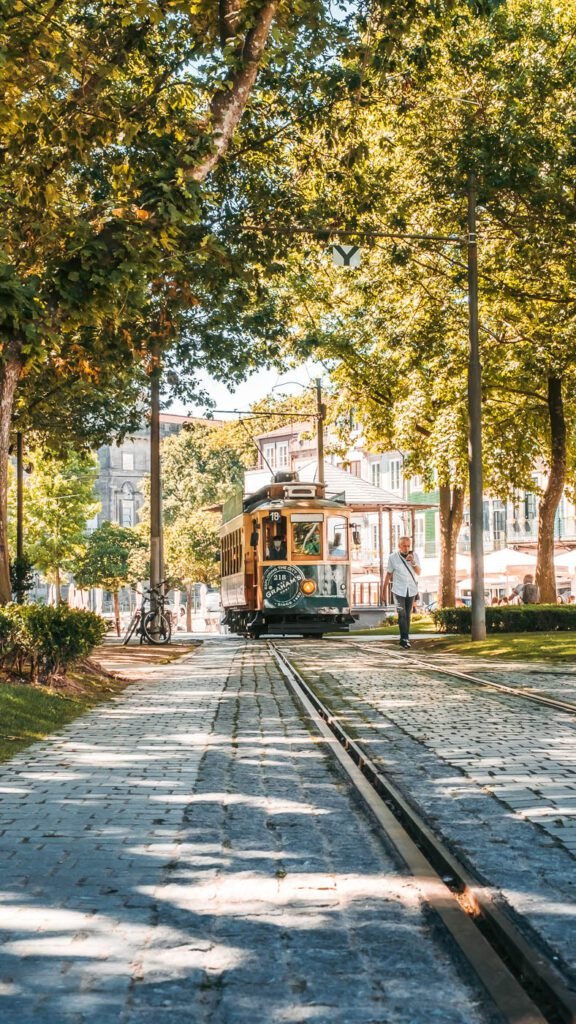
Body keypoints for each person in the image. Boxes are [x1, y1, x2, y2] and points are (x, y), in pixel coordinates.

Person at [383, 536, 421, 649]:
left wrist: (413, 562)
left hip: (411, 589)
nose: (407, 548)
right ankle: (403, 639)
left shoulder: (415, 556)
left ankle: (405, 638)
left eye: (408, 546)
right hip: (398, 590)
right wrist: (383, 591)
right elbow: (388, 574)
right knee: (402, 613)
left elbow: (418, 572)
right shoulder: (393, 558)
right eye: (404, 546)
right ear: (399, 546)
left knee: (408, 615)